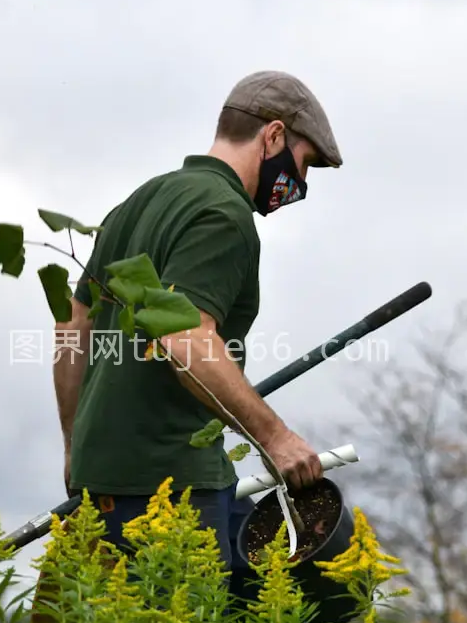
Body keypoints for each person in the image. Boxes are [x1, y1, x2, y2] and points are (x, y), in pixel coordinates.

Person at [51, 70, 343, 572]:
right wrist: (277, 439)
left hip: (105, 485)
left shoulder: (139, 202)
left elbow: (74, 325)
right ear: (273, 136)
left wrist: (77, 446)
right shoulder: (224, 214)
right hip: (173, 487)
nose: (301, 183)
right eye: (305, 163)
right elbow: (187, 340)